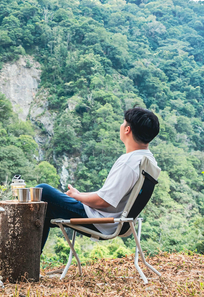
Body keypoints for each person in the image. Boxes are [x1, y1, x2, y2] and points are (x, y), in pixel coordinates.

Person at [37, 107, 160, 251]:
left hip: (101, 221)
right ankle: (30, 264)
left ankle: (26, 265)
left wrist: (78, 197)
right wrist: (79, 195)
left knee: (42, 191)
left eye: (123, 123)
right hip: (111, 220)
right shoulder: (147, 160)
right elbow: (107, 195)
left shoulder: (129, 162)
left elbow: (103, 201)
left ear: (127, 130)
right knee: (44, 210)